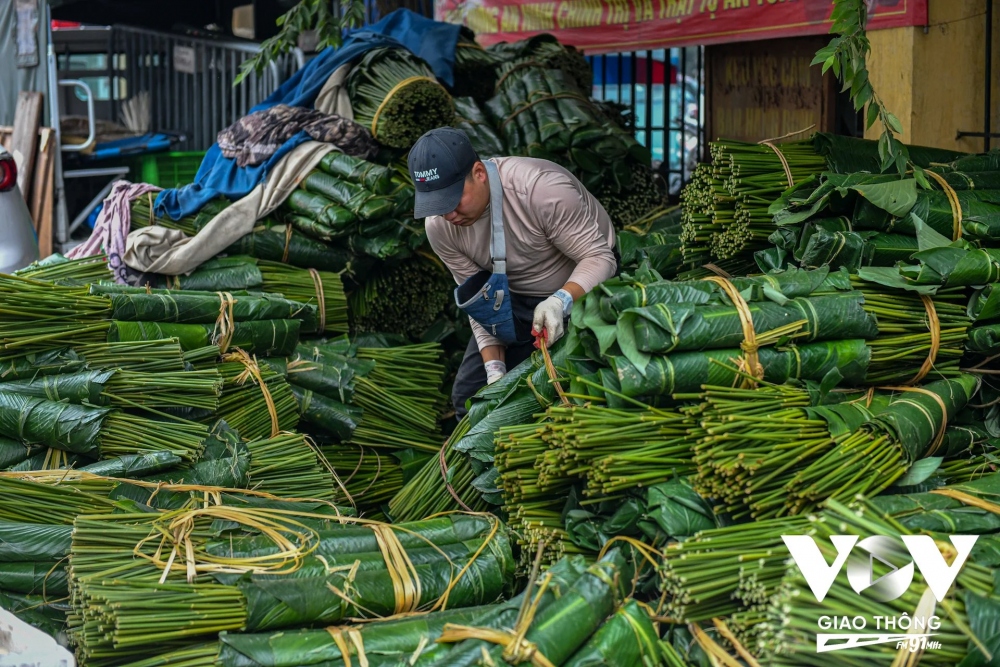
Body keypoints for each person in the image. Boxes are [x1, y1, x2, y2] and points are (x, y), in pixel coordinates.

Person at [408, 127, 618, 417]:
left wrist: (561, 301)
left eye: (453, 201)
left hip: (583, 288)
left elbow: (600, 258)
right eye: (437, 206)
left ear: (479, 173)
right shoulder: (440, 228)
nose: (448, 215)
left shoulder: (540, 189)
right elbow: (481, 304)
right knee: (471, 398)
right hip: (513, 300)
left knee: (567, 389)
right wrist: (494, 370)